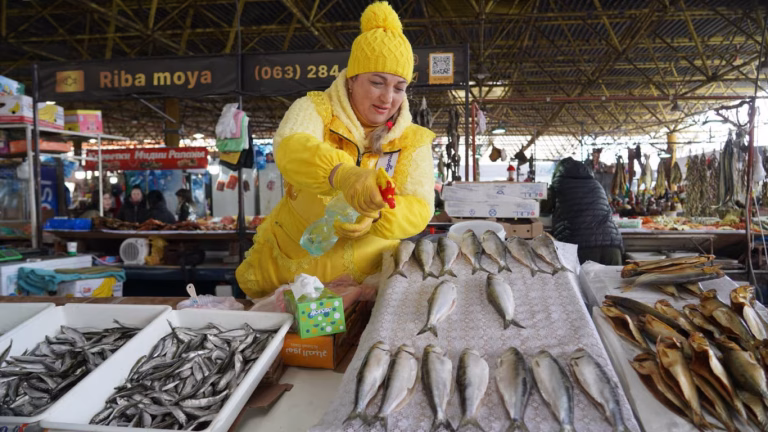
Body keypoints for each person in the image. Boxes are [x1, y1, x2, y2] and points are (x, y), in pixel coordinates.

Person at [236, 2, 435, 298]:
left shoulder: (412, 139)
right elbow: (291, 147)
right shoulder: (316, 109)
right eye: (377, 82)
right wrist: (342, 174)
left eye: (399, 87)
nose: (387, 97)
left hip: (367, 289)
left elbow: (420, 207)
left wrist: (377, 213)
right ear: (352, 80)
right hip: (290, 280)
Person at [549, 157, 624, 265]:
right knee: (613, 277)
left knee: (580, 277)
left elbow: (545, 208)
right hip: (611, 246)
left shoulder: (559, 184)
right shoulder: (596, 184)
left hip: (579, 247)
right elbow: (606, 210)